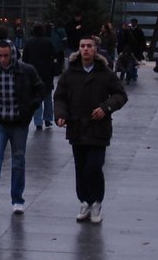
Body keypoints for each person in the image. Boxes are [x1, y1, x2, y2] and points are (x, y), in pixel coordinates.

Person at [54, 36, 128, 225]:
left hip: (98, 129)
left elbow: (120, 95)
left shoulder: (105, 73)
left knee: (94, 166)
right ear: (78, 49)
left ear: (95, 50)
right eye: (82, 46)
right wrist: (61, 114)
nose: (85, 49)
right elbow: (60, 96)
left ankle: (96, 202)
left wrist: (106, 107)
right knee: (80, 168)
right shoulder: (70, 73)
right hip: (77, 128)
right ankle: (84, 201)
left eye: (89, 46)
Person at [0, 39, 45, 215]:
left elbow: (40, 90)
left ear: (13, 54)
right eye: (0, 56)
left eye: (6, 55)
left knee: (18, 161)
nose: (3, 59)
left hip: (18, 123)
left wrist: (29, 108)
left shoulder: (26, 71)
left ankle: (17, 199)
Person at [22, 24, 56, 131]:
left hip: (34, 72)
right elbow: (54, 55)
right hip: (47, 72)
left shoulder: (29, 42)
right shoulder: (48, 42)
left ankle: (38, 122)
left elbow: (25, 58)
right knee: (47, 97)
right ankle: (48, 119)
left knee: (36, 98)